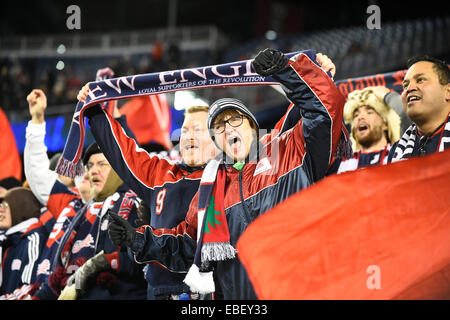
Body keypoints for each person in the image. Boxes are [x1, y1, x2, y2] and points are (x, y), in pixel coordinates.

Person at [108, 48, 345, 299]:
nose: (227, 129)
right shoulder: (212, 187)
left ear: (253, 126)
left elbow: (324, 113)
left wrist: (294, 72)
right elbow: (188, 247)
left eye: (235, 120)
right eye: (219, 127)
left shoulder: (286, 150)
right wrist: (137, 239)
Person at [23, 88, 146, 300]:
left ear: (118, 169)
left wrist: (115, 119)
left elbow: (138, 162)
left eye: (101, 164)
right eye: (89, 165)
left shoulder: (137, 202)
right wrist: (36, 120)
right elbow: (39, 176)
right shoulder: (75, 206)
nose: (93, 171)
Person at [388, 55, 450, 162]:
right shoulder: (395, 151)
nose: (409, 89)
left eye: (420, 80)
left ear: (448, 91)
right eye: (405, 85)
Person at [328, 86, 401, 174]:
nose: (360, 117)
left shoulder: (400, 156)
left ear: (386, 123)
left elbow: (407, 114)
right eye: (356, 115)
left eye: (369, 112)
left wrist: (388, 96)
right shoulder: (338, 164)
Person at [0, 187, 47, 296]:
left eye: (7, 205)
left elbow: (30, 287)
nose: (1, 209)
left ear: (22, 206)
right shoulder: (9, 241)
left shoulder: (34, 238)